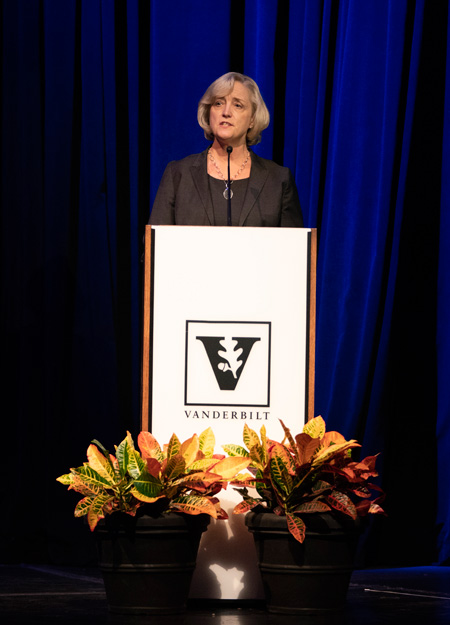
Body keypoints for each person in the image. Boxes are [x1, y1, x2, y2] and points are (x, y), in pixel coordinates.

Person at [149, 72, 303, 227]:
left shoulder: (278, 181)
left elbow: (294, 247)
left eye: (237, 105)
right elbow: (155, 246)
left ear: (252, 119)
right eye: (218, 103)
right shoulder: (178, 175)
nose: (226, 112)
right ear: (209, 113)